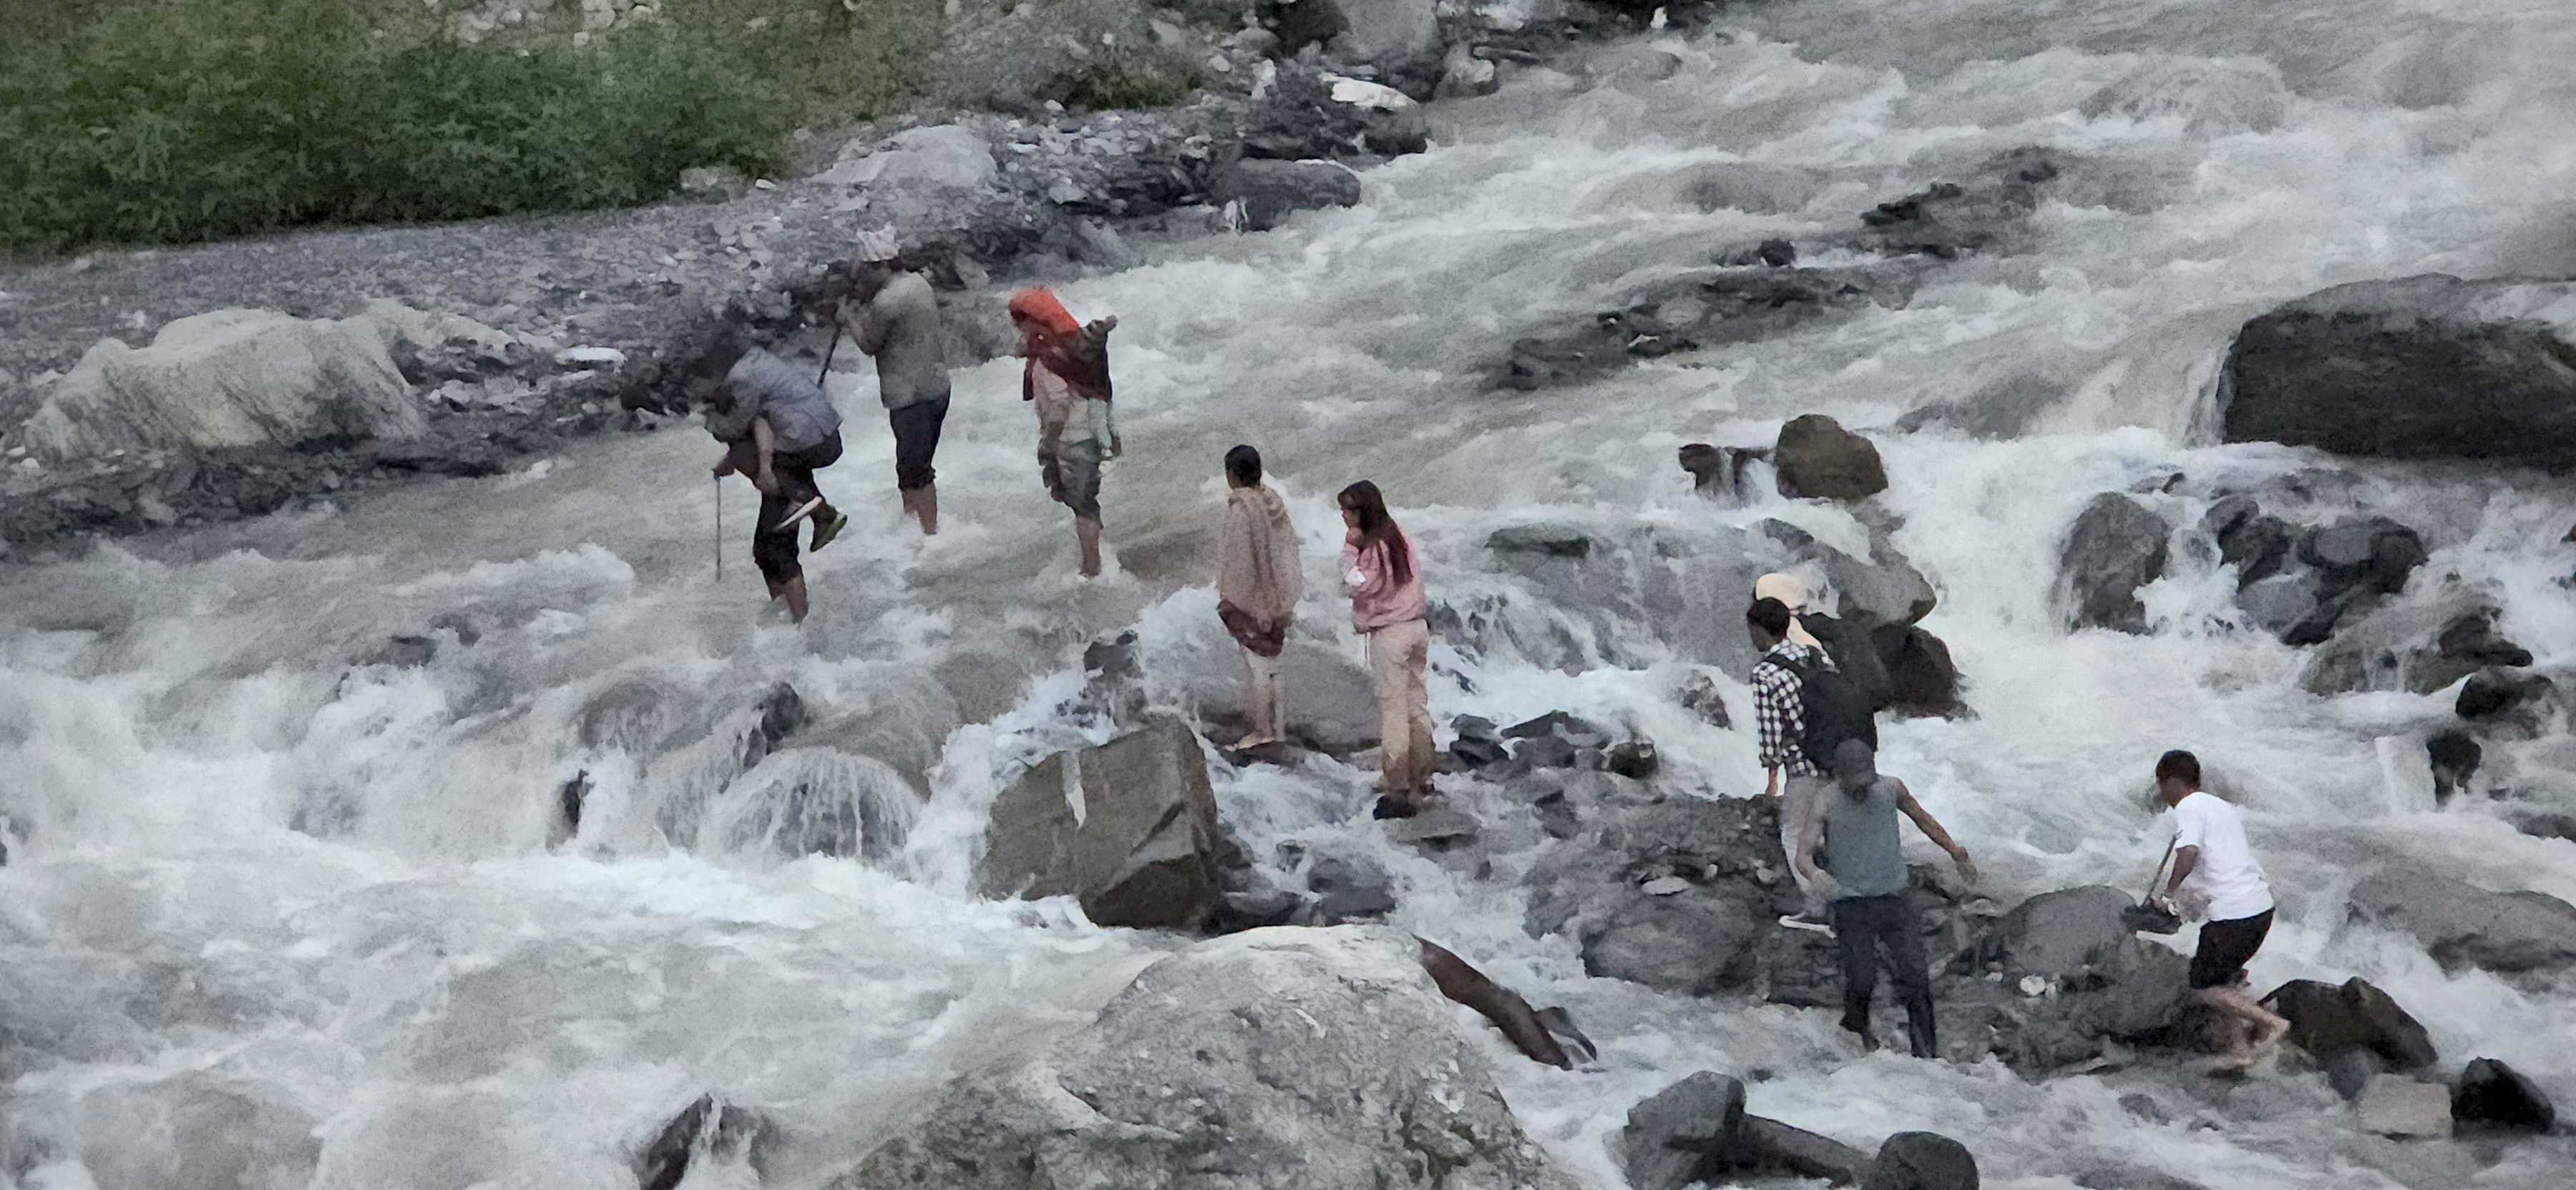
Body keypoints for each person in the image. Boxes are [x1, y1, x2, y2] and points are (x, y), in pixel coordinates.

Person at [1794, 738, 1977, 1058]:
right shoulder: (1826, 802)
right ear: (1840, 776)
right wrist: (1820, 879)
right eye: (1855, 784)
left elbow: (1923, 819)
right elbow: (1803, 856)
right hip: (1850, 904)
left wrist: (1954, 850)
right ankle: (1857, 1031)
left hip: (1894, 898)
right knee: (1861, 979)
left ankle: (1927, 1053)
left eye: (1867, 781)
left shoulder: (1892, 789)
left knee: (1915, 977)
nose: (1861, 789)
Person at [2152, 749, 2291, 1069]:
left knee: (2203, 988)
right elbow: (2219, 862)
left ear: (2173, 782)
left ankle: (2272, 1024)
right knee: (2224, 979)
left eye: (2162, 785)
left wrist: (2169, 895)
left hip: (2234, 916)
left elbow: (2188, 854)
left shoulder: (2188, 807)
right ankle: (2238, 1051)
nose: (2162, 794)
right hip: (2260, 909)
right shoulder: (2220, 806)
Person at [707, 338, 848, 624]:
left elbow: (740, 426)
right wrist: (735, 462)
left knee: (774, 546)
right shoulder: (757, 363)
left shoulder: (741, 378)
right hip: (817, 433)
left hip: (806, 440)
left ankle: (798, 624)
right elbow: (759, 424)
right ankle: (788, 622)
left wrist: (710, 422)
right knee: (766, 547)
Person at [839, 228, 950, 535]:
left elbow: (870, 344)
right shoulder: (919, 283)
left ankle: (923, 532)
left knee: (912, 470)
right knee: (921, 464)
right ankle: (928, 528)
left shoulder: (887, 302)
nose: (862, 279)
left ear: (880, 266)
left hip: (909, 394)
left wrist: (848, 319)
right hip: (938, 386)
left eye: (865, 272)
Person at [1009, 288, 1119, 577]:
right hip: (1089, 437)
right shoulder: (1069, 352)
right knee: (1085, 502)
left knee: (1083, 507)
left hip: (1073, 440)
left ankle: (1092, 570)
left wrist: (1049, 442)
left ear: (1035, 323)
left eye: (1021, 323)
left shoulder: (1049, 360)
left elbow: (1058, 406)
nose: (1018, 330)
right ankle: (1098, 559)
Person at [1339, 481, 1431, 819]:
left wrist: (1349, 553)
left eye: (1348, 509)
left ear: (1363, 512)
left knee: (1392, 708)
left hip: (1391, 633)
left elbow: (1358, 584)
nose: (1344, 516)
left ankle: (1397, 779)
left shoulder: (1372, 548)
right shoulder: (1398, 535)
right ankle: (1423, 773)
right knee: (1416, 704)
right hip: (1417, 627)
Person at [1748, 595, 1836, 932]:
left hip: (1804, 765)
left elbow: (1771, 736)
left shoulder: (1765, 673)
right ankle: (1854, 901)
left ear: (1758, 630)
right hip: (1839, 755)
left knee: (1795, 835)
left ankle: (1818, 909)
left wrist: (1772, 777)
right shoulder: (1815, 655)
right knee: (1832, 829)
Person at [1216, 445, 1302, 748]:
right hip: (1281, 593)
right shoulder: (1273, 502)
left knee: (1258, 666)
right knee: (1274, 663)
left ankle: (1262, 730)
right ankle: (1276, 728)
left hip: (1257, 597)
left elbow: (1243, 560)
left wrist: (1238, 598)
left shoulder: (1243, 511)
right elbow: (1283, 551)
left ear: (1231, 475)